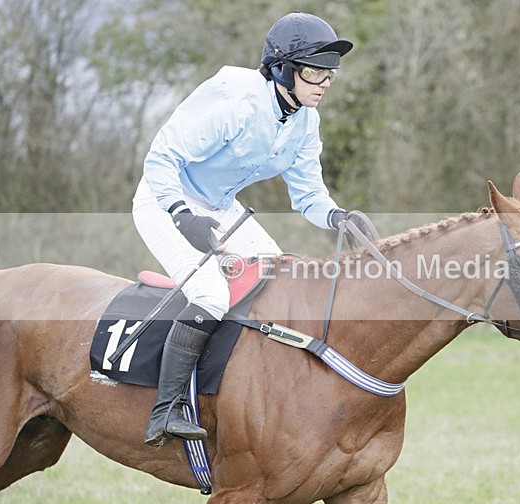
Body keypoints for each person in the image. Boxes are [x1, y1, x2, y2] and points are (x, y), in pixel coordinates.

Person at [132, 12, 367, 447]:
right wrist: (182, 214)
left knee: (281, 275)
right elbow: (162, 158)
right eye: (315, 71)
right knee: (210, 295)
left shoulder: (304, 122)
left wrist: (338, 217)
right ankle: (166, 411)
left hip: (221, 207)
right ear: (282, 68)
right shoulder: (237, 104)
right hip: (164, 200)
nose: (325, 82)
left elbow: (309, 194)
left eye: (330, 74)